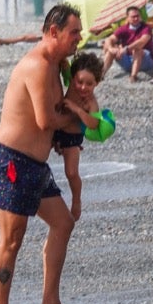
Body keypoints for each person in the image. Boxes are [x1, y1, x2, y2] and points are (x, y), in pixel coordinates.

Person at [0, 3, 85, 304]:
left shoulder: (58, 65)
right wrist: (79, 118)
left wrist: (63, 134)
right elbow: (45, 120)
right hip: (11, 161)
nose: (79, 38)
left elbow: (46, 123)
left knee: (63, 223)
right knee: (12, 240)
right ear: (54, 32)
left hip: (34, 164)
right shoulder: (39, 65)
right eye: (74, 32)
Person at [53, 52, 105, 221]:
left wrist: (77, 109)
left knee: (71, 172)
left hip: (72, 138)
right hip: (55, 130)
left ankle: (76, 200)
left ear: (97, 83)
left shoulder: (90, 102)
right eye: (79, 81)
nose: (83, 87)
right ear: (74, 78)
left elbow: (93, 124)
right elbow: (64, 65)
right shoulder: (70, 83)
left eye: (89, 84)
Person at [101, 5, 153, 81]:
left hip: (145, 60)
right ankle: (101, 74)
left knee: (137, 50)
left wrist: (126, 49)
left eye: (137, 16)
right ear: (127, 18)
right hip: (128, 59)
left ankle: (133, 77)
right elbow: (109, 39)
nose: (136, 18)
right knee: (111, 50)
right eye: (133, 17)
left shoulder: (146, 28)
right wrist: (111, 49)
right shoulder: (123, 29)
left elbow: (142, 42)